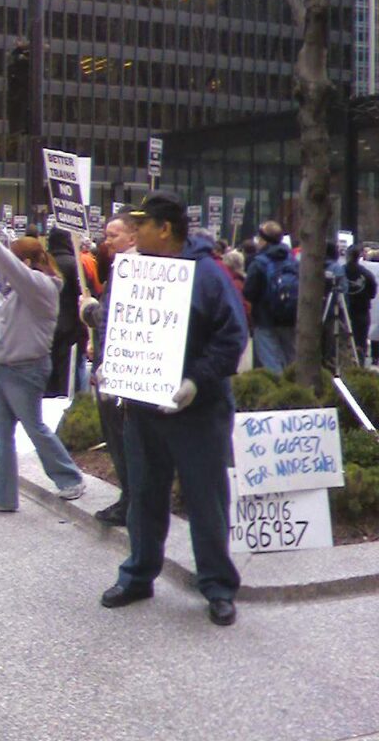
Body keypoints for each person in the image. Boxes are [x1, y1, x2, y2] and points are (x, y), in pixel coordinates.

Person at [100, 192, 247, 627]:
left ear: (164, 229)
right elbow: (118, 323)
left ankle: (218, 586)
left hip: (197, 412)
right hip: (144, 410)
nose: (133, 231)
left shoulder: (209, 277)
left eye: (141, 225)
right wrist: (114, 365)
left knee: (206, 500)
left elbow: (232, 338)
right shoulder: (134, 270)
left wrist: (196, 381)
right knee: (144, 495)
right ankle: (139, 574)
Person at [0, 219, 86, 511]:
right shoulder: (17, 286)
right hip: (1, 365)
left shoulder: (41, 286)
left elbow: (9, 265)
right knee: (2, 433)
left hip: (24, 369)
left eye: (15, 261)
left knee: (34, 427)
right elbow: (2, 261)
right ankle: (3, 495)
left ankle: (70, 478)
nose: (5, 270)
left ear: (28, 262)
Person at [79, 211, 138, 526]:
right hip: (109, 362)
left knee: (120, 438)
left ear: (132, 236)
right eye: (106, 234)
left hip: (119, 372)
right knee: (116, 438)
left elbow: (117, 316)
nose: (107, 240)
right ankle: (128, 499)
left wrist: (91, 312)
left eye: (113, 234)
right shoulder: (119, 266)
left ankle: (130, 502)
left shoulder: (131, 268)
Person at [242, 221, 298, 373]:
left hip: (265, 319)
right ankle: (295, 391)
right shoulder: (292, 259)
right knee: (291, 360)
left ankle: (278, 394)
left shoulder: (259, 262)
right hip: (290, 317)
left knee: (271, 363)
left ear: (263, 240)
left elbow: (249, 292)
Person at [45, 227, 86, 398]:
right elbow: (83, 292)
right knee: (67, 370)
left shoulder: (46, 263)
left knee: (49, 370)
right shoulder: (73, 264)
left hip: (47, 324)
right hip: (69, 324)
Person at [344, 245, 377, 367]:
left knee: (344, 341)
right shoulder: (367, 274)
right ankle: (359, 365)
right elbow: (373, 293)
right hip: (362, 311)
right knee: (360, 341)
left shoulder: (341, 271)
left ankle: (345, 365)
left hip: (345, 312)